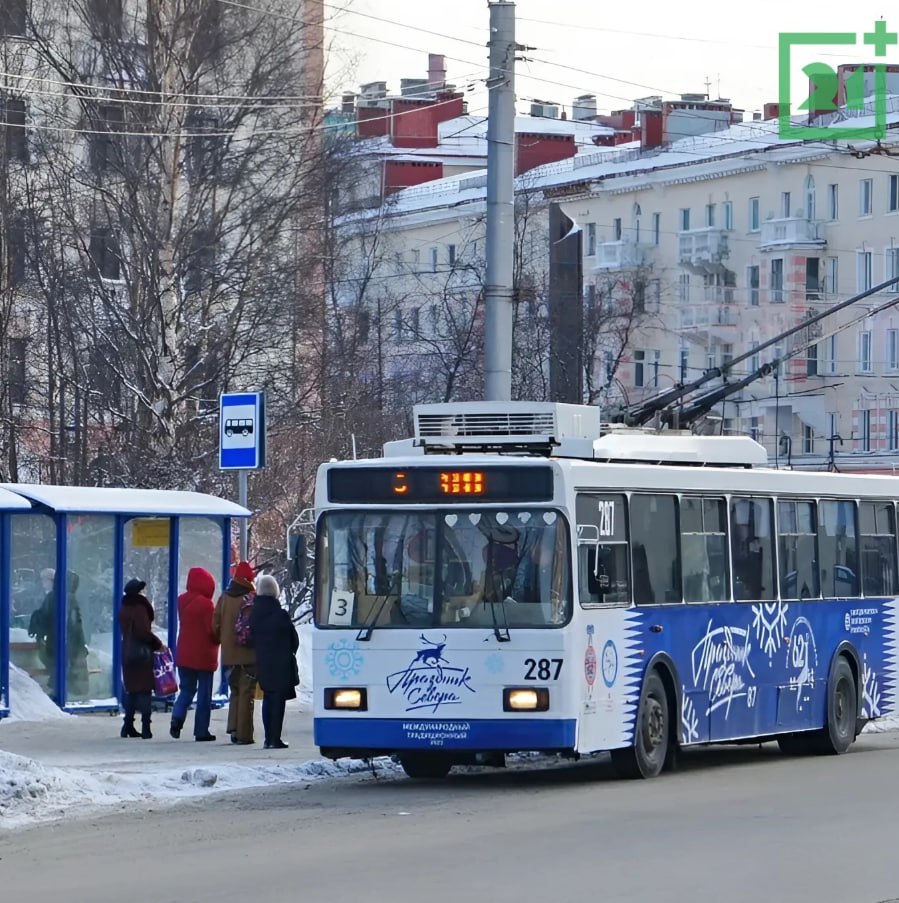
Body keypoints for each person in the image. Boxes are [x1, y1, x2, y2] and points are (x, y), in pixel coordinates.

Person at [248, 575, 299, 750]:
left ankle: (268, 738)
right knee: (278, 702)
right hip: (280, 663)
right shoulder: (280, 614)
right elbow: (294, 640)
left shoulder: (255, 614)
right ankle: (274, 739)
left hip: (263, 662)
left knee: (268, 698)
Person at [170, 567, 220, 742]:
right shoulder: (207, 605)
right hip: (204, 655)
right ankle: (201, 731)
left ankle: (177, 718)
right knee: (204, 695)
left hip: (184, 652)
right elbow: (212, 631)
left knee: (186, 689)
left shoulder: (181, 601)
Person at [212, 560, 257, 745]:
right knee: (247, 693)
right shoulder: (251, 598)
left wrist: (222, 641)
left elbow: (215, 625)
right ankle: (244, 734)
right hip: (248, 654)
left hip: (229, 655)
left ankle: (233, 728)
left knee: (235, 691)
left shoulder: (224, 597)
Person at [28, 569, 90, 699]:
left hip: (59, 644)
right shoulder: (70, 598)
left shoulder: (54, 597)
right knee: (68, 670)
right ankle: (67, 695)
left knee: (60, 667)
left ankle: (59, 694)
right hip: (74, 645)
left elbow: (45, 618)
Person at [118, 578, 163, 738]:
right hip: (141, 654)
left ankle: (127, 726)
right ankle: (146, 728)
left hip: (128, 652)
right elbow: (143, 632)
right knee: (144, 691)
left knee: (132, 691)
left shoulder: (124, 607)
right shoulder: (139, 608)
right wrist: (157, 644)